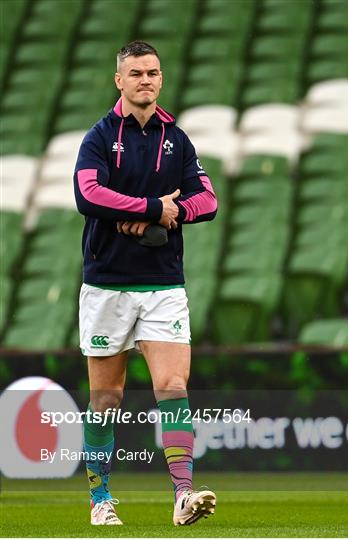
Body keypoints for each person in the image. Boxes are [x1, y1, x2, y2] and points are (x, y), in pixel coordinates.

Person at [73, 40, 218, 527]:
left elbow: (207, 200)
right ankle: (100, 499)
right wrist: (154, 208)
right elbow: (88, 193)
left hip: (162, 283)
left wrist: (173, 212)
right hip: (108, 282)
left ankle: (182, 494)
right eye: (135, 73)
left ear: (161, 78)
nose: (145, 81)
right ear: (119, 80)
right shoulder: (98, 137)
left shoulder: (178, 139)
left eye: (152, 73)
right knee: (106, 400)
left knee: (173, 386)